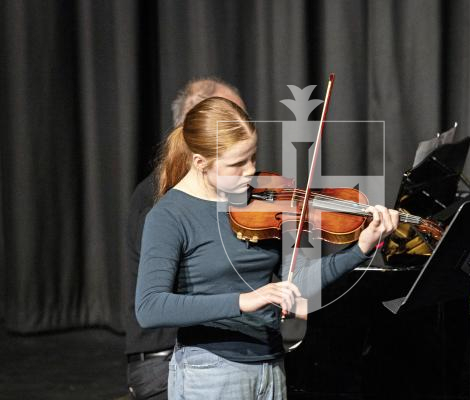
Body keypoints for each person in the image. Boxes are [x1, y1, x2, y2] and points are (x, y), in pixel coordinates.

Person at [134, 96, 400, 400]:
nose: (250, 171)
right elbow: (150, 307)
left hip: (271, 364)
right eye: (237, 163)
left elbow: (299, 280)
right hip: (210, 372)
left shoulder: (263, 200)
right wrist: (246, 300)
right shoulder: (170, 215)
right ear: (200, 162)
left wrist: (359, 249)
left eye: (253, 157)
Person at [124, 78, 245, 400]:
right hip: (166, 359)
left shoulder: (229, 195)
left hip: (221, 348)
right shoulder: (161, 200)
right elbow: (165, 300)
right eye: (231, 120)